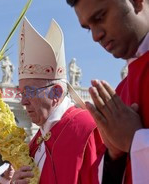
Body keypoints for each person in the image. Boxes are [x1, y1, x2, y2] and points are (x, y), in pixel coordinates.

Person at [12, 17, 105, 184]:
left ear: (56, 92)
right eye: (21, 93)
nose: (23, 102)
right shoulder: (36, 142)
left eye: (30, 92)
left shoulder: (87, 129)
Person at [66, 0, 149, 183]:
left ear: (136, 2)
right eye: (88, 28)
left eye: (100, 17)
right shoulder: (121, 92)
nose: (96, 36)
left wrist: (136, 141)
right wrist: (114, 155)